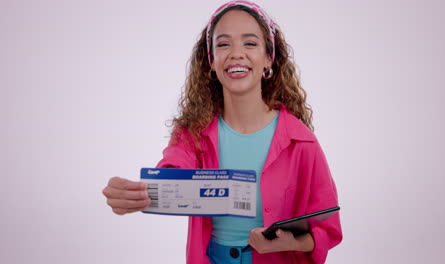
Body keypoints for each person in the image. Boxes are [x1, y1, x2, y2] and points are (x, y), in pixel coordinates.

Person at [102, 1, 342, 263]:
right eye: (223, 44)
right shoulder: (192, 132)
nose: (236, 53)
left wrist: (292, 241)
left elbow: (328, 228)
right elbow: (175, 170)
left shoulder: (301, 141)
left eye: (250, 43)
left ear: (268, 59)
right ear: (211, 63)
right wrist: (139, 194)